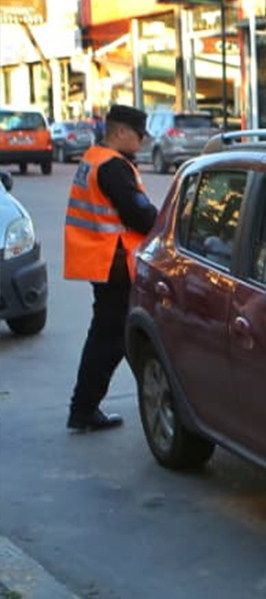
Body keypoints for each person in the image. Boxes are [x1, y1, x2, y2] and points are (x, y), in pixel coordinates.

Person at [64, 104, 157, 432]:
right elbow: (139, 214)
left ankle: (85, 407)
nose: (143, 141)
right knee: (110, 338)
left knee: (109, 335)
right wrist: (167, 226)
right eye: (139, 134)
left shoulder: (93, 158)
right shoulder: (113, 168)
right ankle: (83, 409)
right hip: (113, 263)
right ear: (120, 132)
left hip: (102, 262)